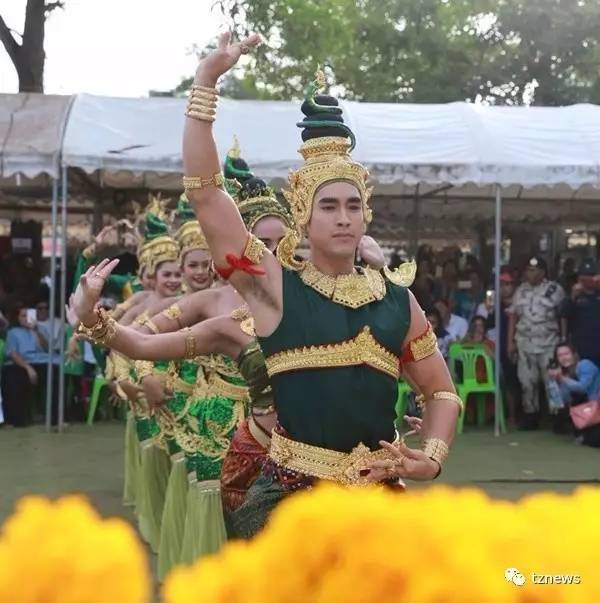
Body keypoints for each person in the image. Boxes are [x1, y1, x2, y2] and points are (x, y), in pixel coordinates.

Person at [178, 33, 459, 537]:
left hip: (379, 499)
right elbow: (207, 198)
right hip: (289, 501)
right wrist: (206, 82)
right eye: (328, 206)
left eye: (353, 205)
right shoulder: (274, 289)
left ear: (366, 213)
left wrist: (429, 459)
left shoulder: (399, 302)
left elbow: (441, 393)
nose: (343, 217)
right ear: (303, 217)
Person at [507, 256, 565, 430]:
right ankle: (530, 416)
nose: (528, 274)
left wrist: (563, 342)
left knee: (552, 382)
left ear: (542, 272)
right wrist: (510, 342)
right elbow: (513, 316)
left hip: (549, 343)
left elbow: (563, 315)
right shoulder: (520, 291)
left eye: (532, 270)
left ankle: (557, 418)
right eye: (527, 270)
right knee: (527, 382)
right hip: (525, 343)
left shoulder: (554, 290)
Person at [1, 303, 55, 426]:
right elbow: (12, 353)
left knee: (55, 374)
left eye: (28, 315)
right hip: (22, 363)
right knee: (14, 376)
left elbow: (47, 348)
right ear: (18, 318)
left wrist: (36, 331)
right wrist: (28, 368)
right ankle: (18, 420)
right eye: (23, 316)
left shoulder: (39, 330)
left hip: (41, 361)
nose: (26, 318)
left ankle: (54, 417)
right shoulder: (13, 332)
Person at [546, 342, 600, 445]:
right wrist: (554, 381)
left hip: (596, 407)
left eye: (567, 354)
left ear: (574, 354)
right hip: (585, 413)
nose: (564, 358)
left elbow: (582, 388)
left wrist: (561, 378)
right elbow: (562, 401)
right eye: (560, 355)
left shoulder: (585, 364)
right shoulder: (564, 374)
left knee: (595, 439)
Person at [560, 259, 600, 367]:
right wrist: (573, 297)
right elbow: (564, 316)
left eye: (591, 275)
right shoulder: (573, 297)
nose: (588, 279)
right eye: (584, 276)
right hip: (581, 347)